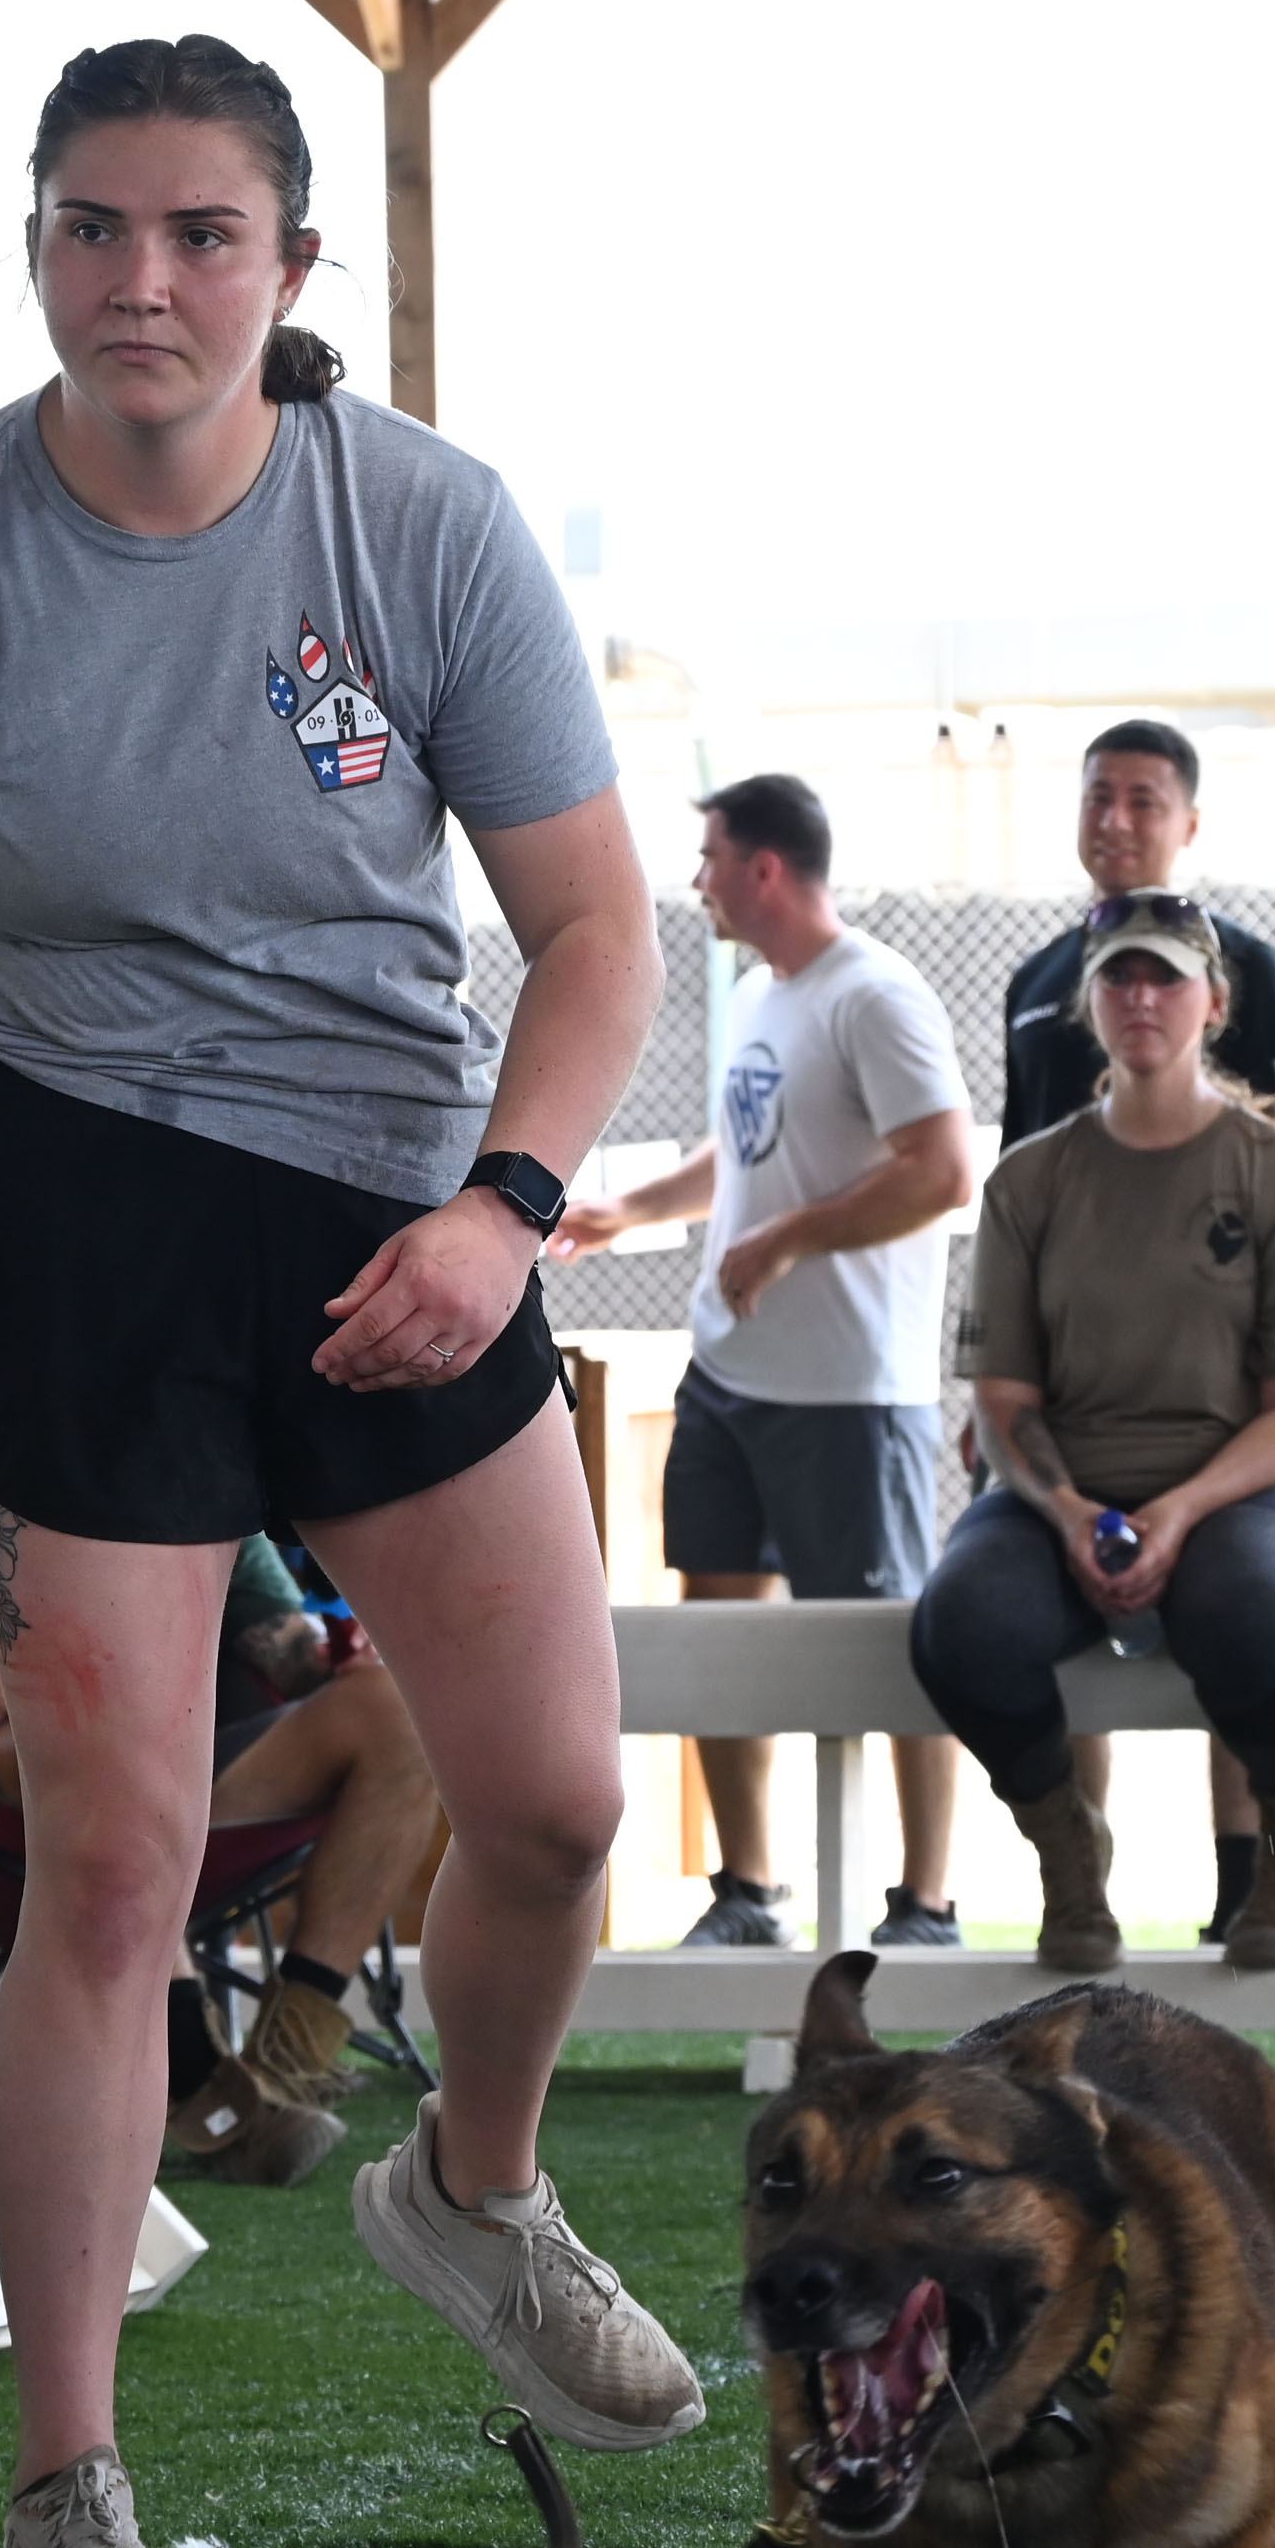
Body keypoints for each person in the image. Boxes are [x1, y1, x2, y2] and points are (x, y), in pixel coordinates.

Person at [0, 33, 701, 2548]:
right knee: (108, 1873)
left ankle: (472, 2186)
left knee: (558, 1805)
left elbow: (596, 932)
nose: (142, 278)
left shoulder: (419, 522)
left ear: (289, 267)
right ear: (35, 252)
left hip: (392, 1226)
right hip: (68, 1229)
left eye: (200, 233)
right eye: (91, 228)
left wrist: (504, 1210)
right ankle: (65, 2491)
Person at [555, 774, 975, 1950]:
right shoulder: (758, 993)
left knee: (887, 1644)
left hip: (849, 1394)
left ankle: (926, 1902)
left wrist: (789, 1237)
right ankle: (748, 1892)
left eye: (709, 858)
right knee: (716, 1632)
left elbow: (943, 1171)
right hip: (729, 1381)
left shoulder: (875, 995)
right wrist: (627, 1210)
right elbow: (742, 1151)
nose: (695, 882)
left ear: (766, 869)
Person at [911, 891, 1275, 1976]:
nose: (1141, 996)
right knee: (961, 1622)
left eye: (1165, 976)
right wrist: (1068, 1512)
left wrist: (1180, 1510)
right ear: (1088, 1001)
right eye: (1118, 975)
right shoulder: (1029, 1180)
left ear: (1214, 1003)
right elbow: (1003, 1400)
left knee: (1245, 1602)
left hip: (1250, 1493)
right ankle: (1068, 1852)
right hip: (1061, 1497)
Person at [0, 1460, 442, 2182]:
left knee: (398, 1712)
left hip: (189, 1784)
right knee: (80, 1738)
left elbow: (287, 1648)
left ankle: (286, 2058)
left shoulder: (193, 1484)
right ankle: (203, 2085)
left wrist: (332, 1655)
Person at [996, 718, 1275, 1945]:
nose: (1116, 819)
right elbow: (1016, 1185)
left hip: (1221, 1380)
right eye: (1098, 796)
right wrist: (1006, 1409)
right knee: (1041, 1599)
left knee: (1233, 1602)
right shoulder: (1038, 982)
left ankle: (1246, 1876)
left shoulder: (1252, 969)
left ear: (1188, 822)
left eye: (1143, 799)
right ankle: (1081, 1874)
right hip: (1067, 1384)